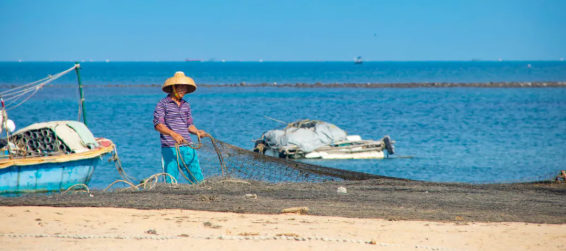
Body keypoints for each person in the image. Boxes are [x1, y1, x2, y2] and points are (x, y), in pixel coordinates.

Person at [153, 71, 208, 184]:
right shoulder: (162, 104)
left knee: (198, 180)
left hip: (188, 147)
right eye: (181, 87)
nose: (184, 90)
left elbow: (189, 125)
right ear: (174, 87)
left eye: (185, 88)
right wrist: (173, 134)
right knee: (170, 181)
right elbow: (158, 125)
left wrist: (197, 132)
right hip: (170, 148)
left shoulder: (186, 105)